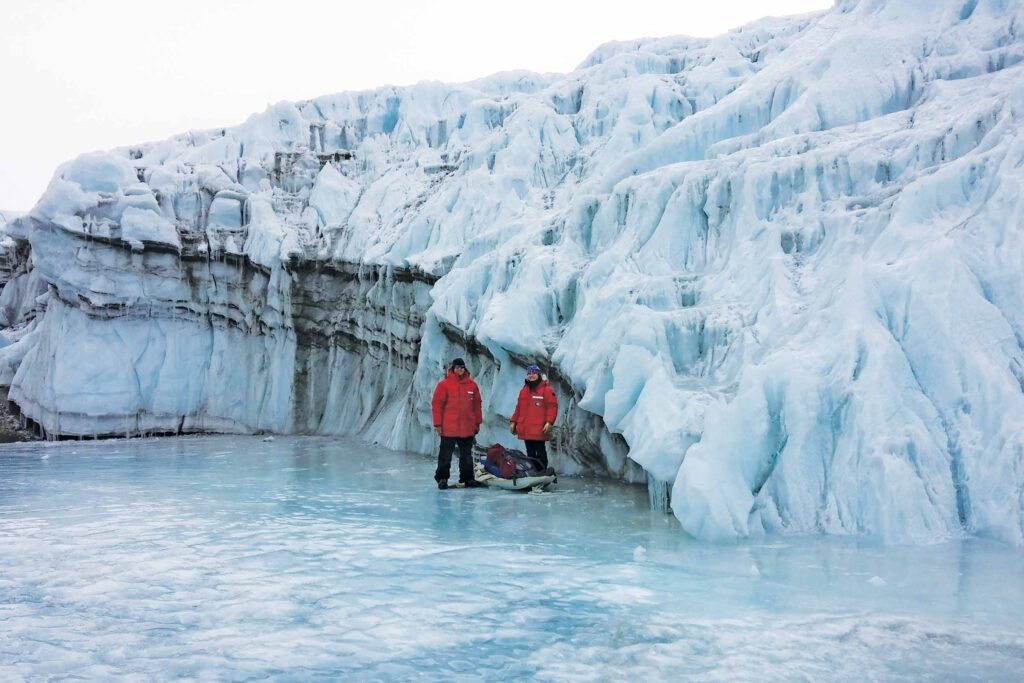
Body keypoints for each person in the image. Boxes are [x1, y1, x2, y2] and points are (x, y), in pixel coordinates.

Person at [431, 357, 483, 489]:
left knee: (466, 456)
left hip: (467, 427)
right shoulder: (444, 385)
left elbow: (477, 405)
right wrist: (438, 424)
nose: (460, 369)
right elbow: (437, 405)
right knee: (445, 455)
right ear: (453, 369)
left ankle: (467, 479)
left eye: (462, 367)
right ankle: (442, 478)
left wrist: (477, 422)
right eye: (457, 367)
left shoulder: (472, 385)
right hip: (449, 428)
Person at [509, 363, 557, 469]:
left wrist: (549, 422)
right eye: (529, 373)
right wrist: (513, 421)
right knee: (530, 453)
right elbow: (518, 408)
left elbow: (552, 407)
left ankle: (542, 471)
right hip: (526, 429)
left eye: (534, 373)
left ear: (538, 374)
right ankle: (533, 471)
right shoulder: (524, 391)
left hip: (539, 428)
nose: (531, 375)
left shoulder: (546, 390)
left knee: (540, 452)